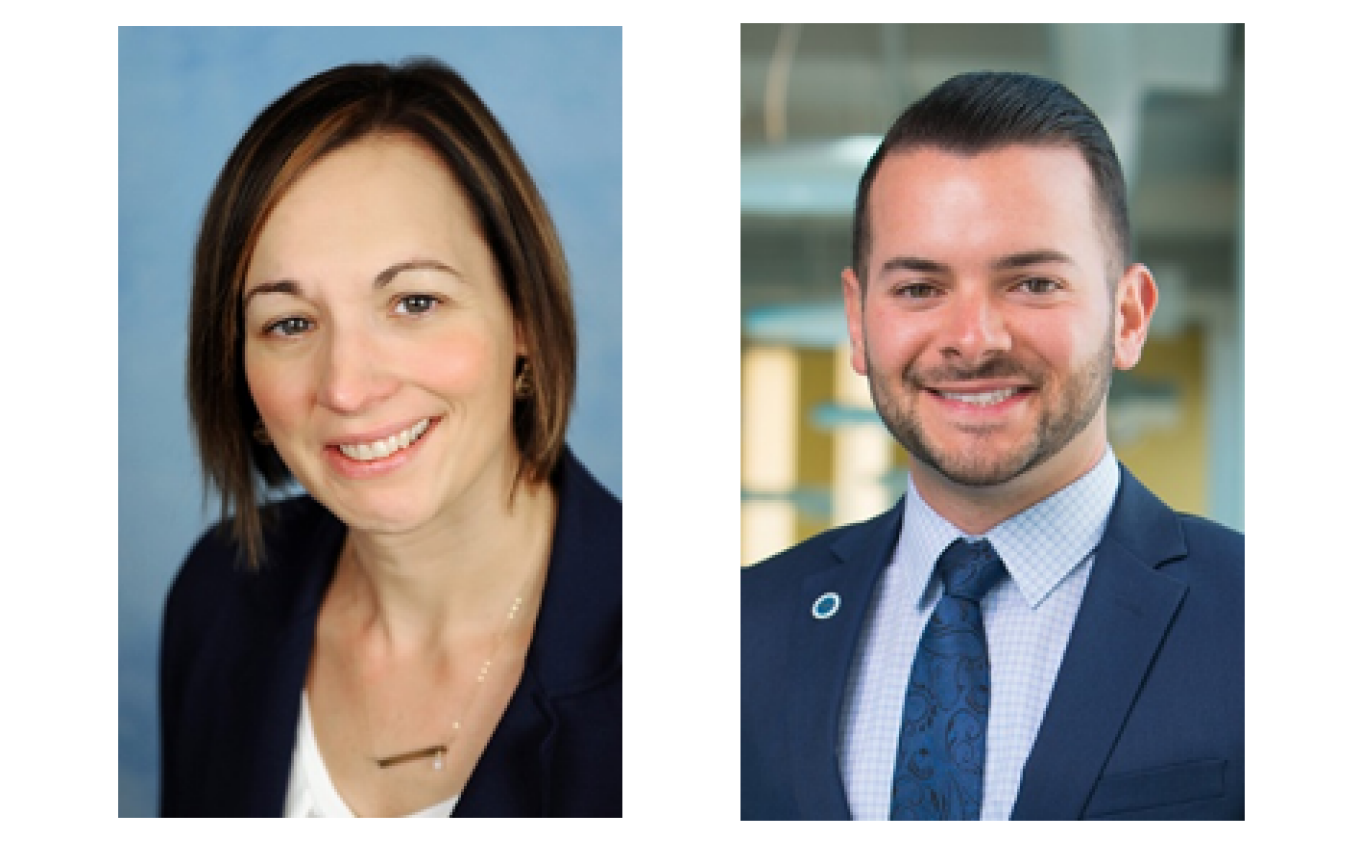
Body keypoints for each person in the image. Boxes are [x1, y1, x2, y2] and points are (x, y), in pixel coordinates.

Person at [741, 71, 1243, 820]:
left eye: (1033, 283)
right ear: (858, 318)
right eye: (919, 289)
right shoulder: (741, 627)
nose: (972, 340)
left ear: (1129, 315)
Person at [159, 58, 621, 818]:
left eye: (414, 301)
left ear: (525, 320)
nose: (345, 385)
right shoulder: (221, 597)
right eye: (290, 323)